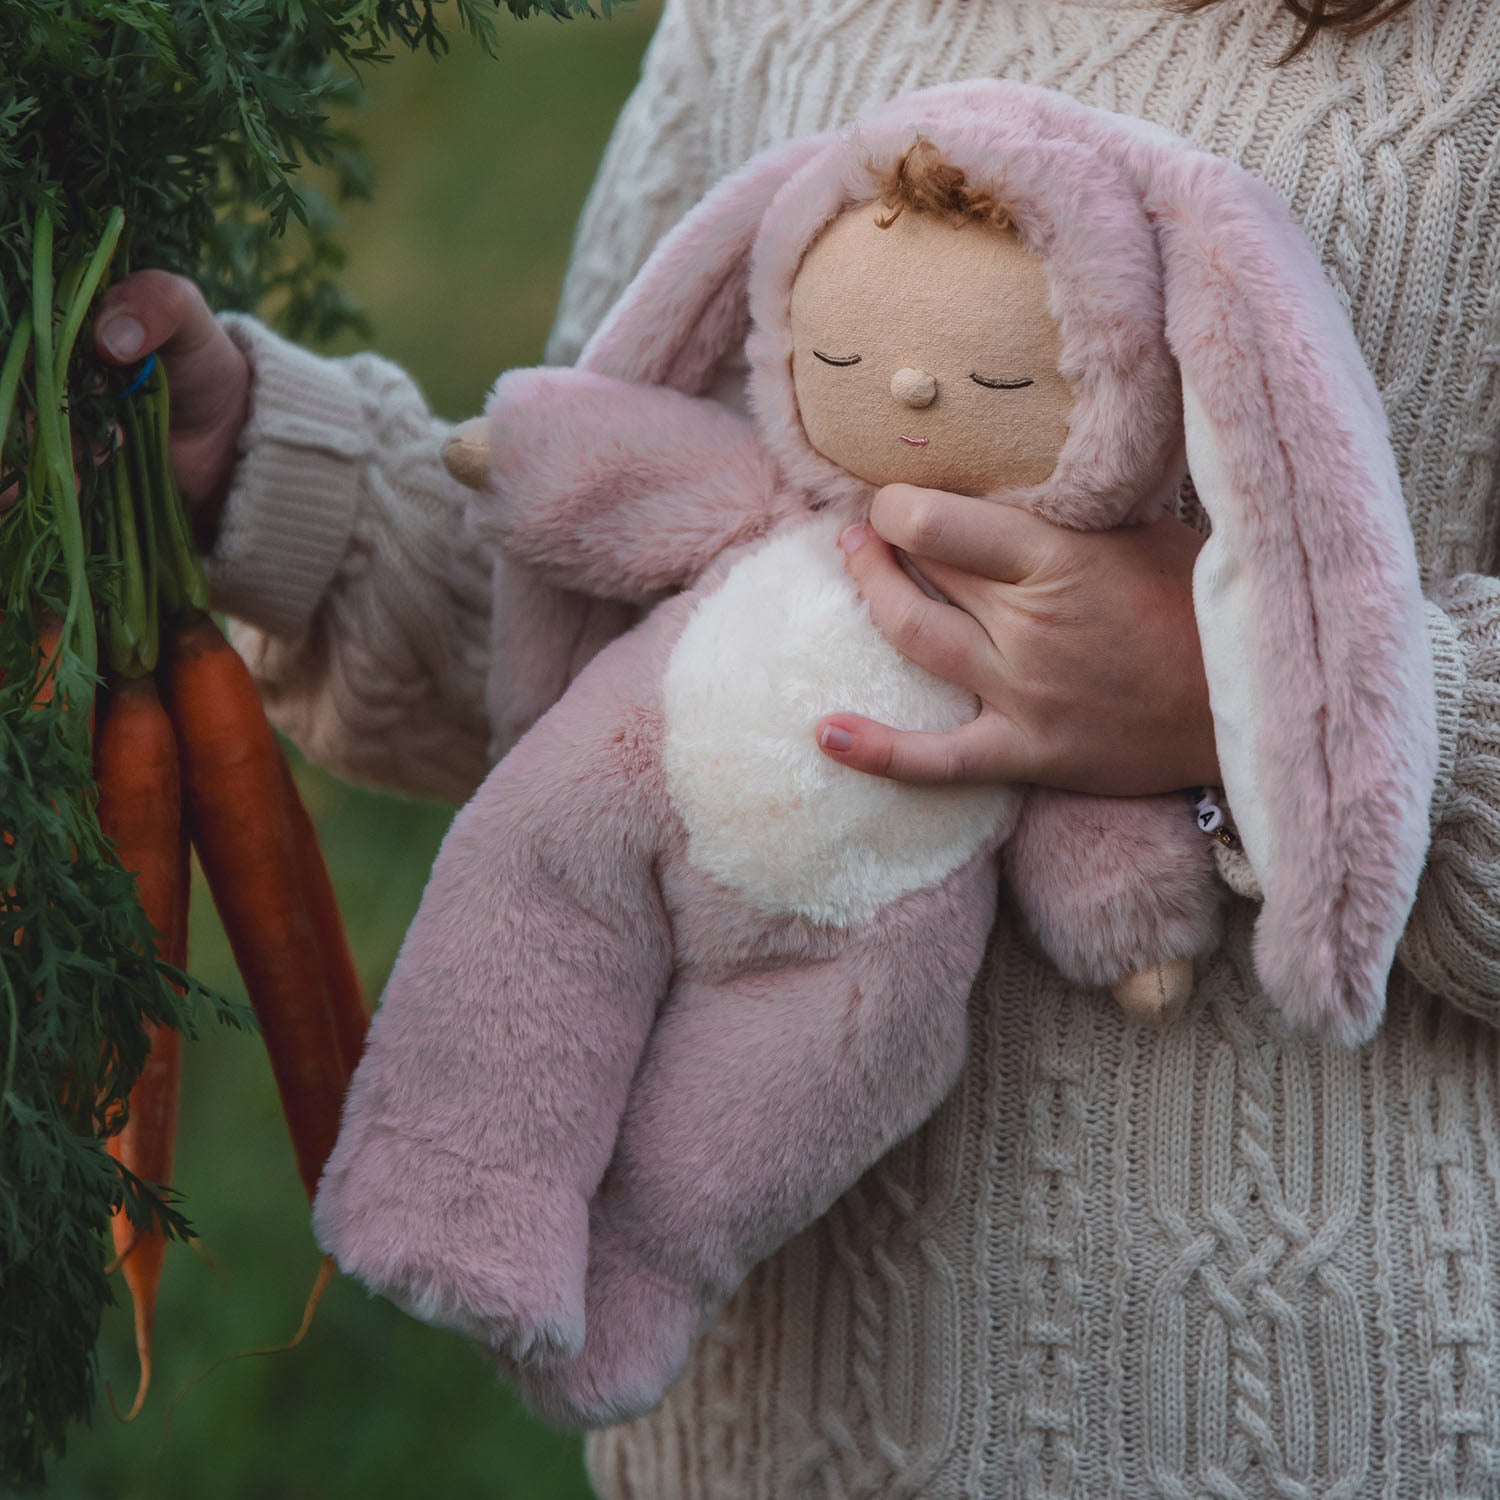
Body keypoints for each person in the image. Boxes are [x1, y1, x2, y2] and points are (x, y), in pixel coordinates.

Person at [94, 0, 1500, 1493]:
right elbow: (610, 628)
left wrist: (1264, 701)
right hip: (768, 1436)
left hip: (1297, 1417)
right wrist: (257, 467)